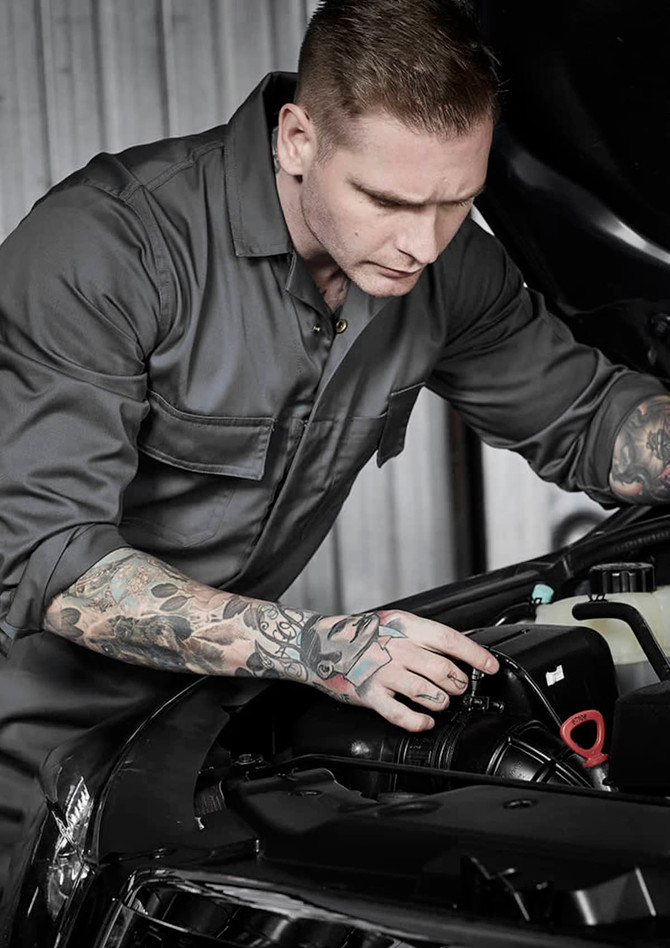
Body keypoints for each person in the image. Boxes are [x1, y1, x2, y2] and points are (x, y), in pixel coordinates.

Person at [0, 0, 668, 922]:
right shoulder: (109, 246)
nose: (421, 243)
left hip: (206, 730)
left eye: (457, 201)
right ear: (299, 138)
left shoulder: (446, 267)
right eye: (389, 201)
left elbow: (591, 419)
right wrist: (320, 648)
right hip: (22, 742)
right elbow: (50, 561)